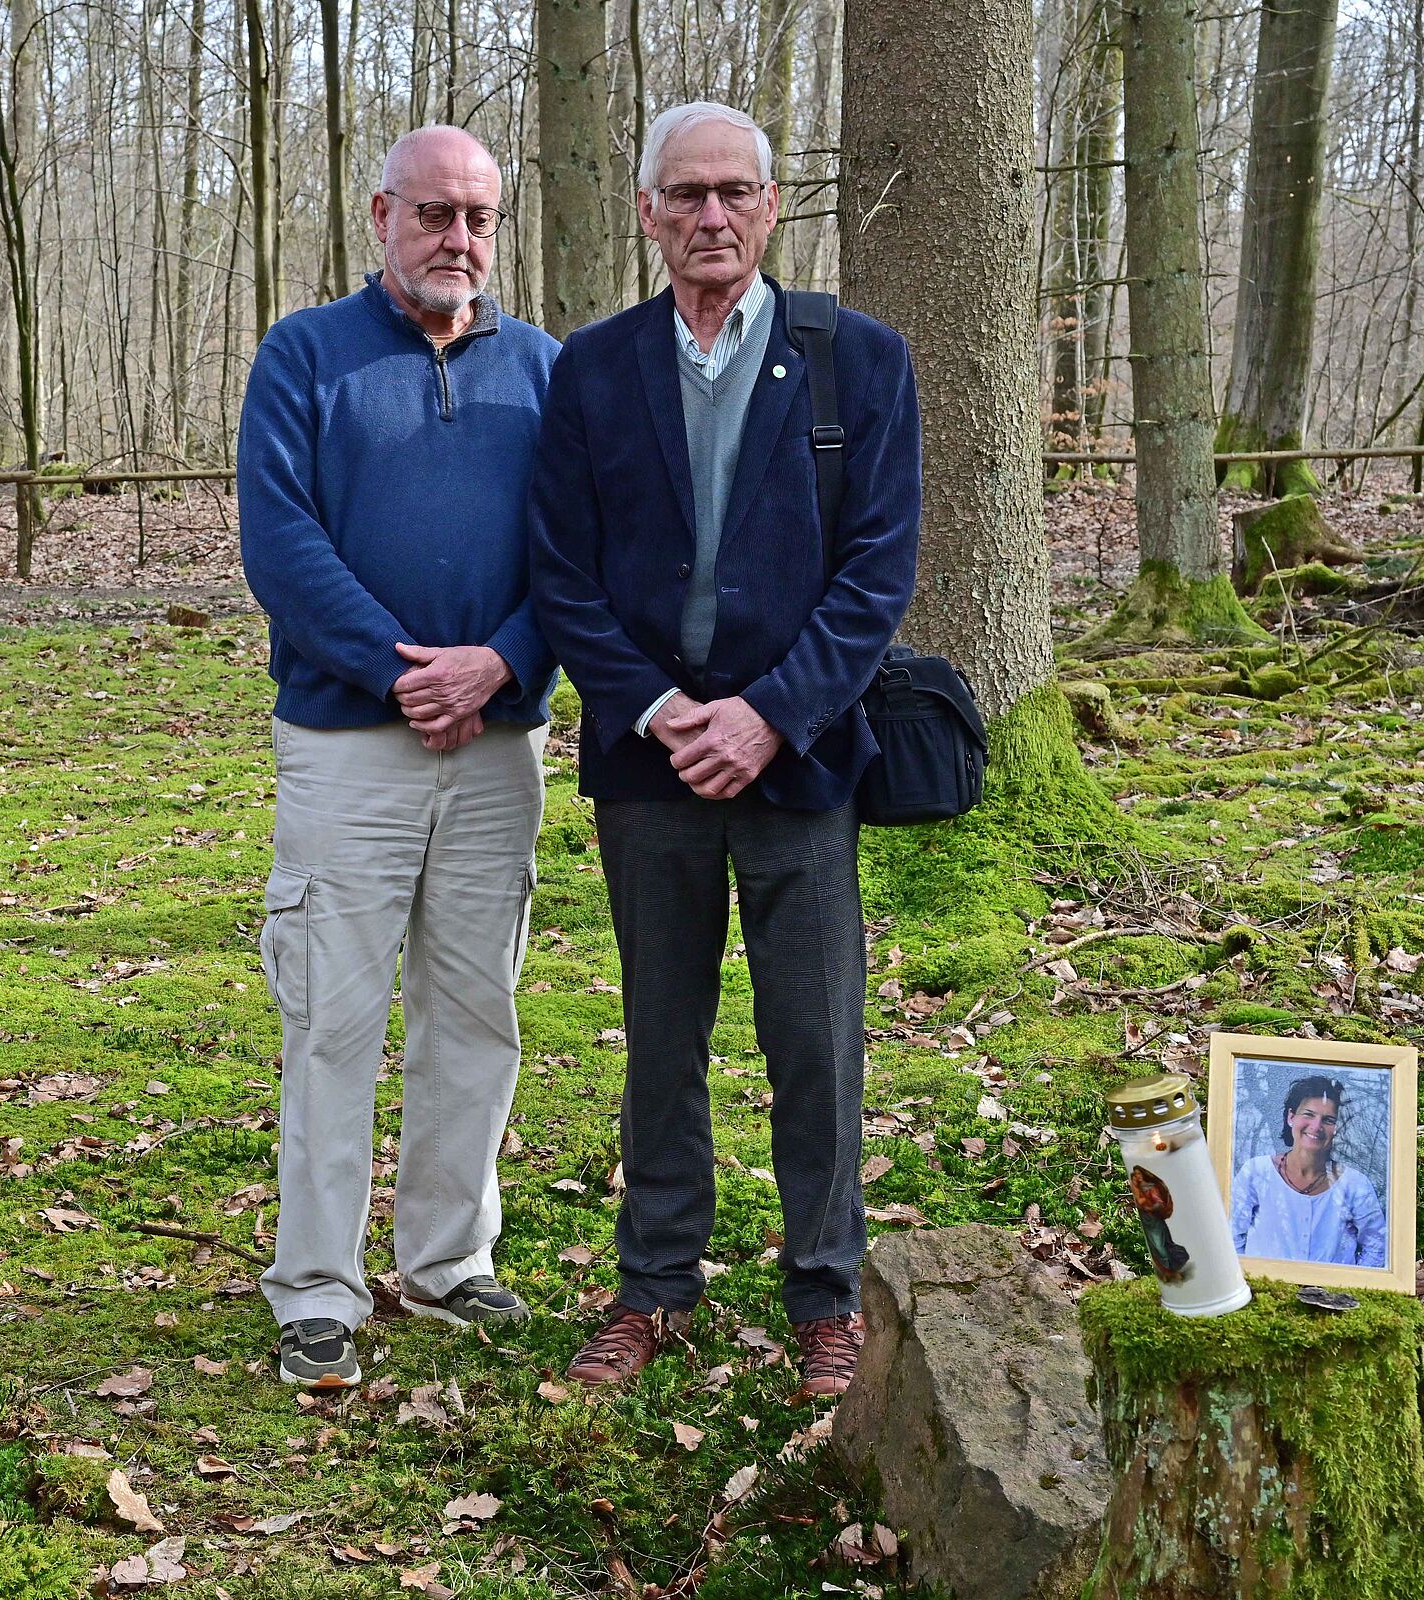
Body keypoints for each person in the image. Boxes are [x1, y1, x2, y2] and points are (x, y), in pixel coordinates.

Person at [527, 102, 921, 1399]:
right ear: (647, 211)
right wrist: (653, 706)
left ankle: (824, 1297)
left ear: (769, 207)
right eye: (685, 194)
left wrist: (769, 714)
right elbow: (564, 571)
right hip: (651, 769)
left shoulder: (859, 363)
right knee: (661, 1042)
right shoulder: (589, 372)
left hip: (801, 762)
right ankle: (653, 1292)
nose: (710, 216)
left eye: (734, 193)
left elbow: (877, 575)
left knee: (813, 1040)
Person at [238, 125, 560, 1390]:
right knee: (331, 1015)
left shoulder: (542, 369)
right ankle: (317, 1285)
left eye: (478, 217)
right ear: (382, 215)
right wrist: (400, 664)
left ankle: (446, 1259)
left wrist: (500, 661)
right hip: (345, 747)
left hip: (498, 744)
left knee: (478, 1012)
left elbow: (577, 554)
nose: (458, 241)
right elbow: (281, 543)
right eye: (434, 215)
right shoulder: (305, 357)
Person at [1228, 1076, 1387, 1268]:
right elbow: (1229, 1237)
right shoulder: (1256, 1173)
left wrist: (1350, 1288)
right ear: (1291, 1117)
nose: (1316, 1126)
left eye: (1328, 1120)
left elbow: (1377, 1247)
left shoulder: (1354, 1185)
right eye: (1309, 1114)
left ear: (1337, 1129)